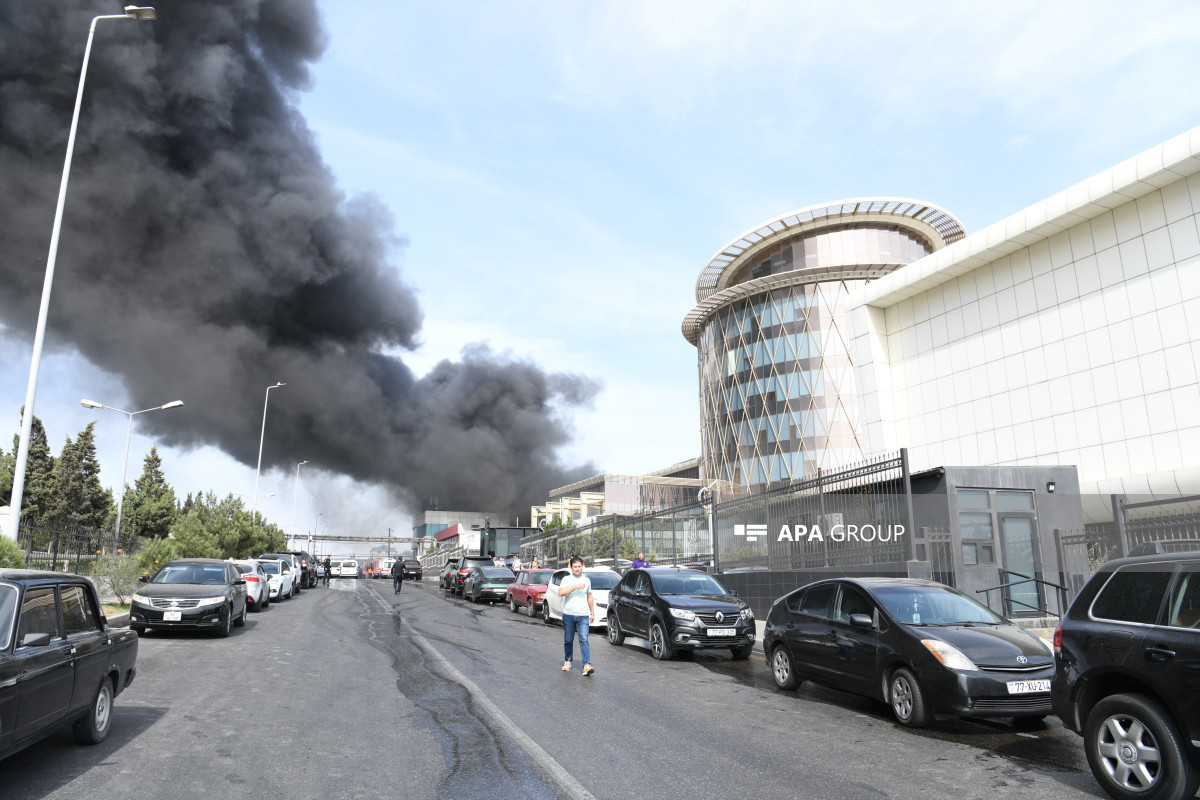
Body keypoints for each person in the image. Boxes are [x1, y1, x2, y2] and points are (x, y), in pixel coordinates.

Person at [557, 555, 595, 676]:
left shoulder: (587, 580)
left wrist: (592, 612)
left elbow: (589, 597)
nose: (577, 569)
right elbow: (560, 592)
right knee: (568, 639)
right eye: (575, 567)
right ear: (571, 567)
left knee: (584, 639)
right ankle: (568, 660)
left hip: (583, 615)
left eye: (579, 566)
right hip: (569, 614)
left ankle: (586, 665)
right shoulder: (566, 579)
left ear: (582, 566)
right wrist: (574, 587)